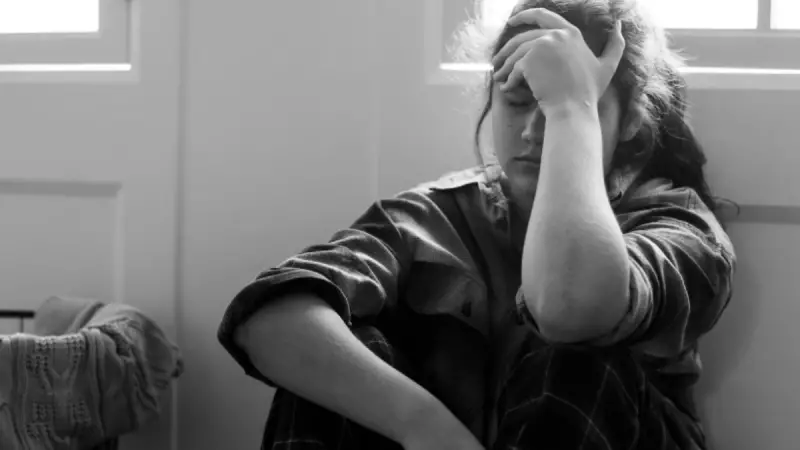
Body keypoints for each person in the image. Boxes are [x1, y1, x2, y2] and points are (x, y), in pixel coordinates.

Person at [218, 0, 737, 448]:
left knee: (578, 359)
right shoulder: (436, 217)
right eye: (517, 101)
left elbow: (568, 308)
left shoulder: (677, 224)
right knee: (335, 369)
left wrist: (571, 110)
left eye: (556, 108)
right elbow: (267, 319)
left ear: (629, 123)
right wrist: (424, 426)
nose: (532, 130)